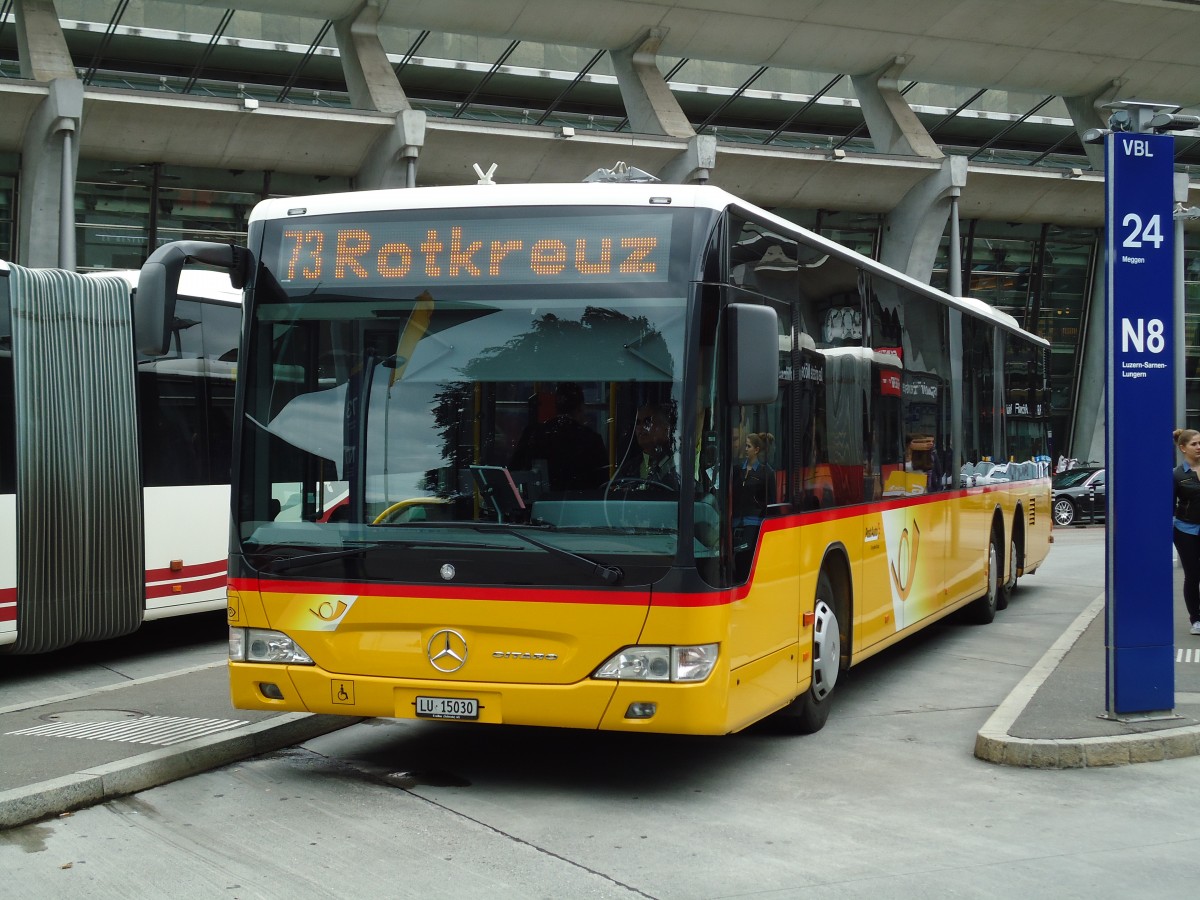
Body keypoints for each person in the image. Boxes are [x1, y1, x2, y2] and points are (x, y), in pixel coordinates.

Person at [509, 382, 607, 491]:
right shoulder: (592, 439)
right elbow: (602, 484)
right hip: (579, 505)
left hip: (539, 505)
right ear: (580, 408)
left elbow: (514, 472)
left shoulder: (533, 433)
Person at [614, 401, 680, 490]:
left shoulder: (678, 463)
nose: (641, 427)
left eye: (648, 421)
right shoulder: (627, 469)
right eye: (638, 423)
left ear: (666, 428)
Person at [1173, 428, 1200, 635]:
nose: (1199, 447)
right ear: (1183, 448)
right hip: (1186, 530)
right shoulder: (1177, 474)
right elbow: (1168, 505)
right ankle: (1196, 620)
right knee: (1192, 575)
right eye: (1194, 444)